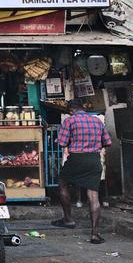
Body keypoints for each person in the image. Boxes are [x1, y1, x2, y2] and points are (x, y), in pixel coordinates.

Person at [52, 100, 111, 244]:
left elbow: (62, 142)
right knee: (93, 195)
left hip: (76, 159)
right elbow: (107, 142)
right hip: (93, 160)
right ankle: (95, 234)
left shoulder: (69, 121)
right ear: (83, 108)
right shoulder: (97, 121)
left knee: (62, 184)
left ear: (71, 110)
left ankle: (68, 219)